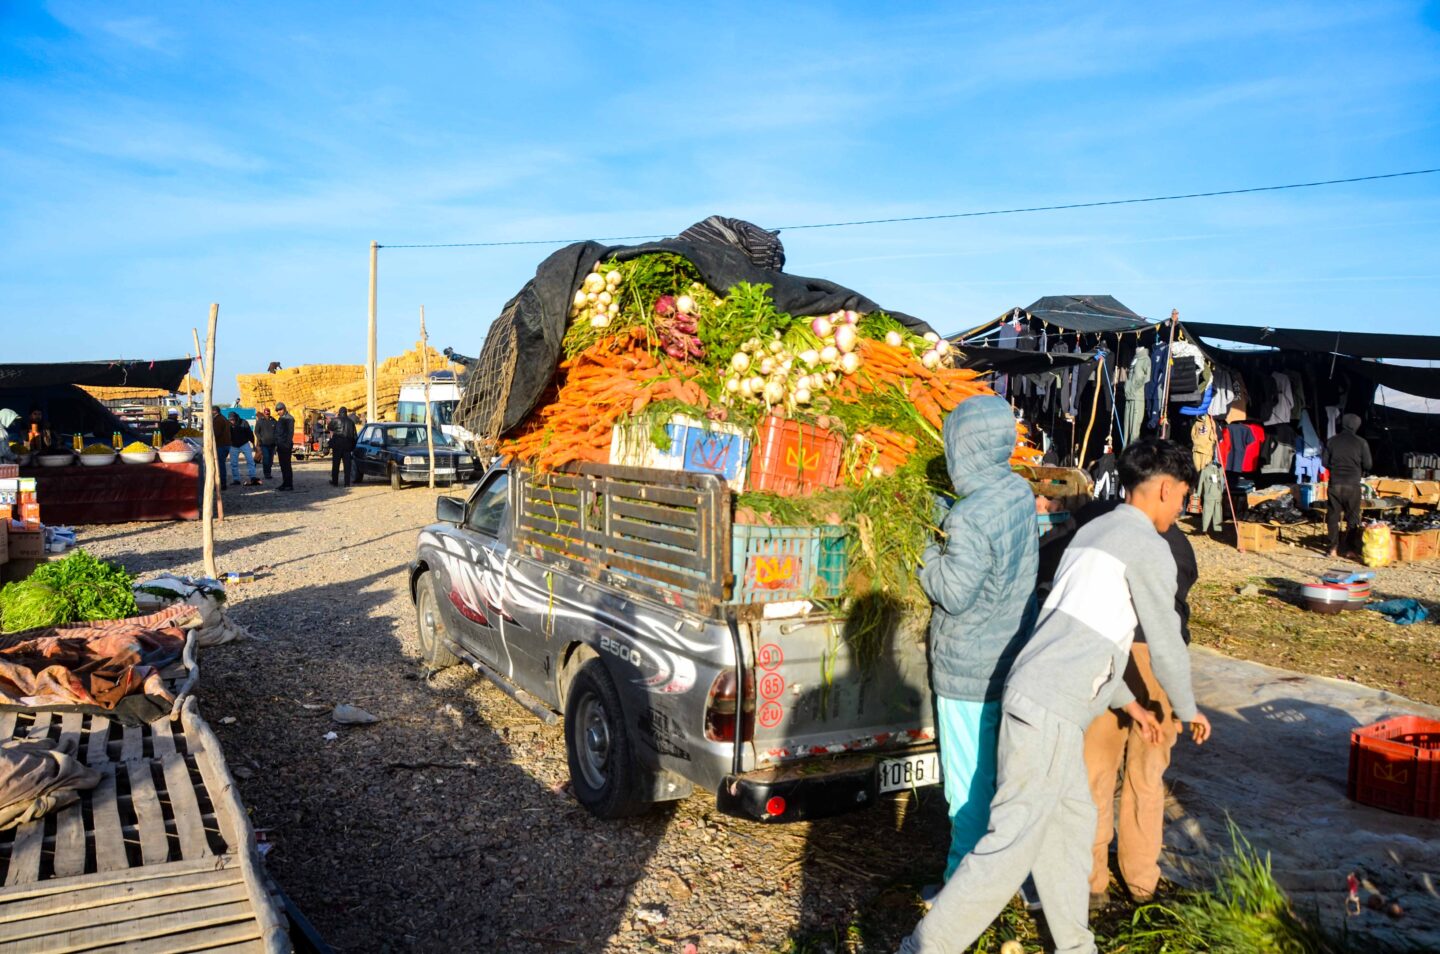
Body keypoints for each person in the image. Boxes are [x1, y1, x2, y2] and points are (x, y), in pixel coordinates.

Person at [899, 440, 1212, 954]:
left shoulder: (1094, 532)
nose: (1182, 508)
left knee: (1070, 827)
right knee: (1010, 844)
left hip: (1043, 698)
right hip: (1050, 709)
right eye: (1182, 497)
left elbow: (1082, 636)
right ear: (1164, 488)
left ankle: (1075, 945)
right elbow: (1166, 642)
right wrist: (1187, 706)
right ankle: (923, 948)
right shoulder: (1148, 546)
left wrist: (1128, 703)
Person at [918, 396, 1039, 883]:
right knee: (995, 780)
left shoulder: (970, 518)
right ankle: (1006, 875)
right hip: (1006, 657)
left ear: (960, 448)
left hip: (967, 671)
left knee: (966, 789)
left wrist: (923, 545)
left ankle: (960, 893)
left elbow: (952, 590)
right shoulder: (1016, 492)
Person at [1074, 496, 1198, 908]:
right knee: (1146, 776)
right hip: (1153, 663)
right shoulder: (1173, 543)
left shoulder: (1096, 526)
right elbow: (1173, 612)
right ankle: (1142, 880)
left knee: (1096, 771)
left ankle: (1093, 882)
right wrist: (1185, 704)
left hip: (1105, 653)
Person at [1322, 413, 1371, 559]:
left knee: (1333, 516)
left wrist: (1335, 466)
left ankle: (1333, 548)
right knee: (1352, 517)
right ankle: (1349, 549)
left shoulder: (1332, 441)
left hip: (1335, 483)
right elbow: (1368, 464)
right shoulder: (1361, 442)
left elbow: (1324, 462)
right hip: (1352, 484)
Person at [227, 412, 259, 486]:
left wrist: (253, 444)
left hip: (244, 444)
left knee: (250, 461)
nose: (232, 421)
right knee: (233, 463)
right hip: (233, 445)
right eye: (230, 420)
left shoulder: (244, 422)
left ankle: (253, 477)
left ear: (236, 418)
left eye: (232, 420)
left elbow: (250, 433)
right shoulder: (228, 424)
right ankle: (236, 480)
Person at [327, 407, 357, 486]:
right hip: (347, 446)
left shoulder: (335, 420)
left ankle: (335, 482)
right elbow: (355, 436)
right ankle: (347, 483)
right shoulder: (351, 422)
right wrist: (352, 447)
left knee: (336, 464)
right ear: (346, 412)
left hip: (337, 445)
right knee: (347, 466)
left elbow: (329, 427)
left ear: (339, 412)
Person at [275, 403, 295, 490]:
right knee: (283, 465)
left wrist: (286, 445)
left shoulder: (289, 418)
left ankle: (289, 485)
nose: (278, 412)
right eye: (277, 410)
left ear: (284, 409)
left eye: (280, 410)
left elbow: (290, 433)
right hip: (280, 445)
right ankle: (285, 483)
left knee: (286, 465)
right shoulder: (281, 418)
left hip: (285, 445)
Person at [254, 408, 278, 480]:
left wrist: (276, 441)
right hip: (264, 444)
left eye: (268, 413)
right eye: (266, 413)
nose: (267, 414)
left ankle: (269, 472)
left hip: (273, 444)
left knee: (270, 460)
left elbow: (277, 432)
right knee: (266, 459)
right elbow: (256, 431)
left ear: (270, 413)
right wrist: (260, 439)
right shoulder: (260, 421)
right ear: (264, 413)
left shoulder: (274, 421)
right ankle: (266, 474)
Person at [210, 409, 232, 487]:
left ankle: (221, 483)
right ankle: (222, 482)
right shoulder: (224, 418)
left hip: (220, 445)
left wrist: (210, 440)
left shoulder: (217, 420)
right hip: (226, 444)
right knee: (221, 464)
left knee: (219, 465)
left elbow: (216, 433)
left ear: (215, 411)